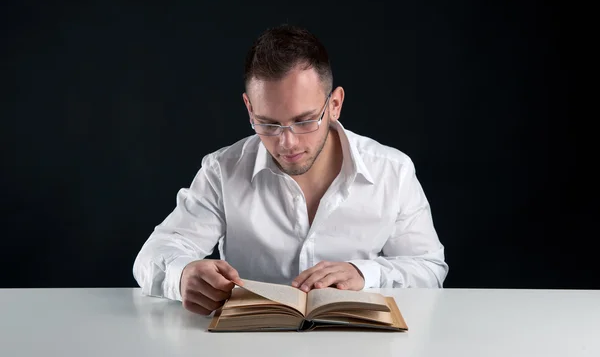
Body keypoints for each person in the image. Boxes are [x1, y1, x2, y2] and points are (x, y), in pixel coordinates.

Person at [132, 24, 449, 316]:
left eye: (304, 120)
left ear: (335, 105)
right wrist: (182, 275)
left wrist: (365, 274)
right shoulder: (222, 171)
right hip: (248, 344)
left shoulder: (392, 172)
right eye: (268, 123)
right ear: (249, 108)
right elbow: (152, 257)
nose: (287, 143)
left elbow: (429, 269)